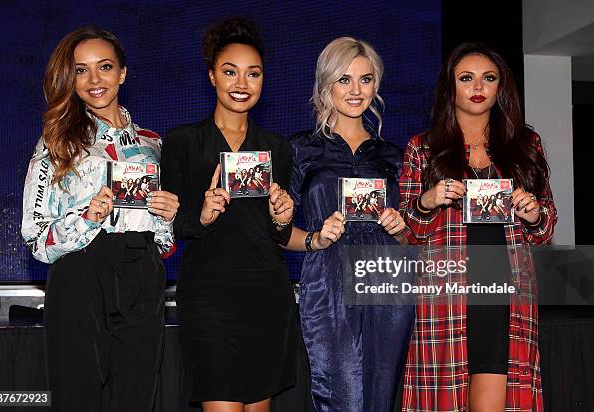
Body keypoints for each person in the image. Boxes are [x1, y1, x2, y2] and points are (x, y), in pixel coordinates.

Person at [20, 27, 179, 411]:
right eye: (81, 70)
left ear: (122, 73)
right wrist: (86, 217)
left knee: (137, 397)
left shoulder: (154, 143)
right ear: (70, 79)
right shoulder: (56, 141)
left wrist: (167, 216)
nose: (94, 80)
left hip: (142, 273)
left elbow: (166, 243)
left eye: (104, 67)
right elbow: (35, 238)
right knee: (78, 397)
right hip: (81, 272)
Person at [399, 42, 557, 411]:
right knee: (445, 400)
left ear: (501, 87)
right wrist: (428, 200)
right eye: (466, 78)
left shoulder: (524, 145)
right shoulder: (423, 148)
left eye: (489, 78)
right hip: (447, 294)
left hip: (507, 291)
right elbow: (408, 232)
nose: (478, 87)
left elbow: (546, 229)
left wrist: (533, 213)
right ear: (449, 87)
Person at [160, 17, 297, 412]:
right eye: (230, 72)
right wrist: (200, 216)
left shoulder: (277, 149)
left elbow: (274, 233)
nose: (242, 83)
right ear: (211, 76)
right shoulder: (182, 142)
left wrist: (282, 217)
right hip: (209, 298)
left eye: (253, 74)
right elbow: (168, 226)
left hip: (266, 296)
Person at [284, 37, 414, 412]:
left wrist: (400, 227)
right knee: (339, 397)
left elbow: (412, 239)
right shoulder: (301, 149)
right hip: (328, 285)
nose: (356, 91)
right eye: (344, 79)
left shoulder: (393, 155)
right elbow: (276, 232)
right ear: (325, 85)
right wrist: (316, 238)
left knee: (382, 396)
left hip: (388, 279)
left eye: (366, 79)